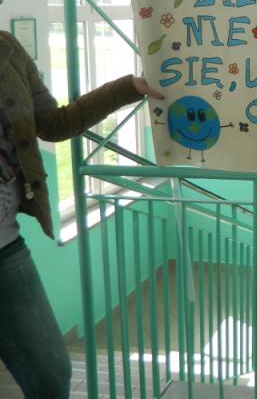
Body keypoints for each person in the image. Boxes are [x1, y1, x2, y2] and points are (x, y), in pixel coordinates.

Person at [0, 30, 163, 398]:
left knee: (52, 374)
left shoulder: (7, 48)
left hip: (5, 244)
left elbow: (53, 123)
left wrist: (128, 87)